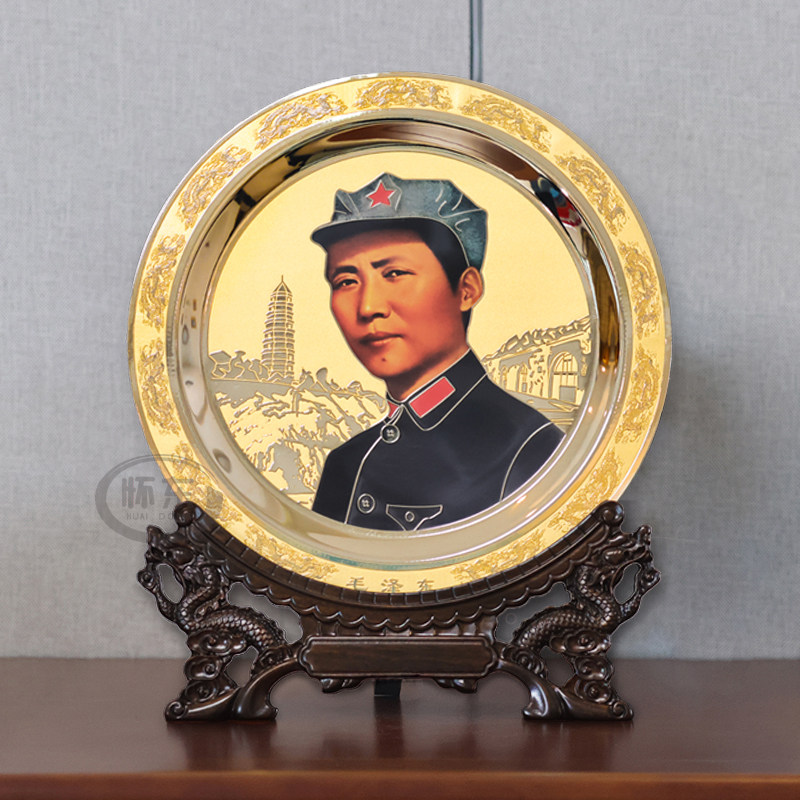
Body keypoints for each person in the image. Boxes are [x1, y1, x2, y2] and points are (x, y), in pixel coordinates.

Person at [310, 173, 563, 531]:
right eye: (346, 281)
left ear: (466, 290)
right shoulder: (345, 462)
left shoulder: (531, 448)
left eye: (394, 273)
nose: (367, 307)